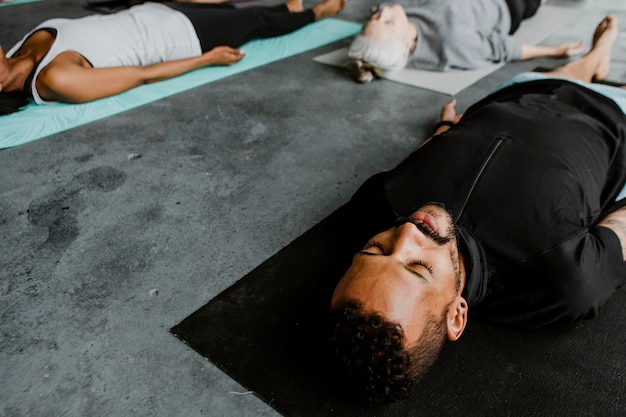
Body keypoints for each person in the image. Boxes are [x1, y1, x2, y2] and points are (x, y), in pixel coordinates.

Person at [329, 14, 626, 403]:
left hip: (513, 95)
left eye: (375, 249)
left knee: (574, 68)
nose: (407, 234)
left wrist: (444, 131)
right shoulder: (561, 279)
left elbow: (420, 159)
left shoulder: (371, 210)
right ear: (456, 315)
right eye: (419, 267)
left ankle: (595, 57)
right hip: (612, 118)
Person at [0, 0, 344, 114]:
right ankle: (318, 12)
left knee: (229, 8)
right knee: (256, 23)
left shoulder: (15, 50)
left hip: (152, 12)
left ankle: (286, 6)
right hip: (182, 35)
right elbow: (139, 75)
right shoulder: (54, 79)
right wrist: (206, 59)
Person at [347, 0, 586, 83]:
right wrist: (556, 50)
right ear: (407, 43)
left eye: (377, 17)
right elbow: (505, 48)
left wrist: (379, 13)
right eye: (388, 22)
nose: (386, 12)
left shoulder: (399, 18)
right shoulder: (451, 43)